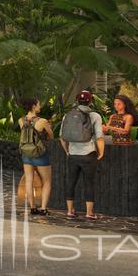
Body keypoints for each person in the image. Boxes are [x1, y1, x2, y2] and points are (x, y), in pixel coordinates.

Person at [60, 89, 105, 219]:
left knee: (71, 182)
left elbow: (62, 138)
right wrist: (101, 152)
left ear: (77, 100)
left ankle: (69, 211)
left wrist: (67, 151)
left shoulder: (67, 115)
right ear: (90, 101)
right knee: (89, 183)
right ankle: (89, 213)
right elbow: (99, 137)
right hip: (88, 154)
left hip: (73, 155)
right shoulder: (95, 116)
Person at [16, 98, 53, 216]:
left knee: (29, 180)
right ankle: (43, 208)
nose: (40, 106)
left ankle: (32, 207)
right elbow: (51, 136)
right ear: (33, 106)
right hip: (39, 154)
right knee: (46, 181)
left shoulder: (21, 120)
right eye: (38, 104)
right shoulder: (42, 121)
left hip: (26, 153)